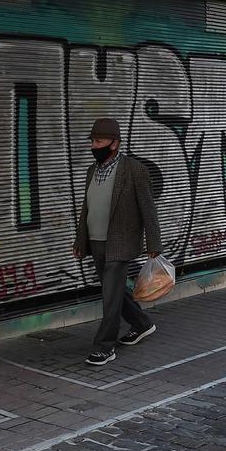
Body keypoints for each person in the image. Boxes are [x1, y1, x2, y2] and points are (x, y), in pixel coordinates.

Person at [73, 118, 162, 366]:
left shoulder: (134, 170)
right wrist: (81, 239)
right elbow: (86, 208)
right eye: (92, 141)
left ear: (114, 143)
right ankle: (142, 323)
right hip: (96, 241)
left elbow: (148, 209)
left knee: (109, 296)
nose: (94, 146)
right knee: (114, 292)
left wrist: (154, 244)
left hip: (120, 243)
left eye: (99, 141)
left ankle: (104, 347)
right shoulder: (93, 170)